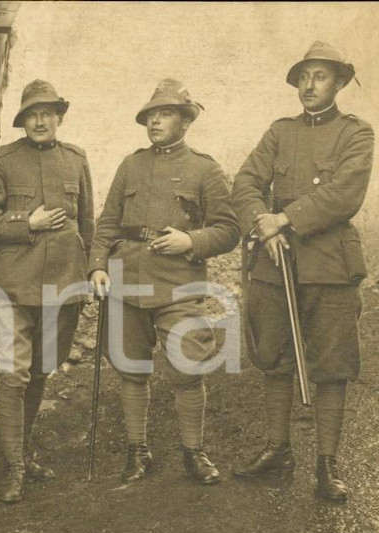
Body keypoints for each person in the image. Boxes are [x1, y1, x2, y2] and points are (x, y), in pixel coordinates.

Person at [232, 42, 374, 502]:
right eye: (303, 77)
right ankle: (278, 449)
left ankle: (327, 465)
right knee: (274, 357)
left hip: (330, 265)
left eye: (320, 76)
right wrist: (262, 222)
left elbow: (345, 193)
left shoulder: (356, 133)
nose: (308, 86)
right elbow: (246, 182)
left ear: (339, 83)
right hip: (275, 265)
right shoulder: (280, 132)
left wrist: (285, 218)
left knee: (331, 366)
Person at [89, 79, 239, 486]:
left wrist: (191, 240)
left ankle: (194, 451)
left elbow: (228, 230)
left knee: (189, 367)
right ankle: (137, 449)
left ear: (186, 121)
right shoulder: (130, 165)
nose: (155, 120)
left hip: (179, 284)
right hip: (126, 281)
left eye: (166, 113)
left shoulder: (205, 170)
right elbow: (107, 223)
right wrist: (98, 266)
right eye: (151, 114)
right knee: (130, 368)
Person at [0, 79, 93, 502]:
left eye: (48, 113)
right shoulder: (1, 160)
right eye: (32, 115)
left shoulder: (76, 159)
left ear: (59, 117)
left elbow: (88, 225)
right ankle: (14, 468)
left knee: (41, 369)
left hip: (63, 282)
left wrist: (93, 271)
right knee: (14, 373)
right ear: (23, 121)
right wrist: (28, 224)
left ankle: (20, 450)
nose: (40, 121)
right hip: (13, 283)